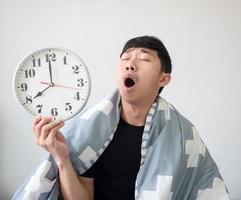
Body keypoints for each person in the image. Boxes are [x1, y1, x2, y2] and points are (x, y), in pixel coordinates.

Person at [14, 36, 230, 200]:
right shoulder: (93, 131)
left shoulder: (183, 137)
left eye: (144, 58)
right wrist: (61, 158)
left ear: (163, 79)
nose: (130, 64)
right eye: (125, 58)